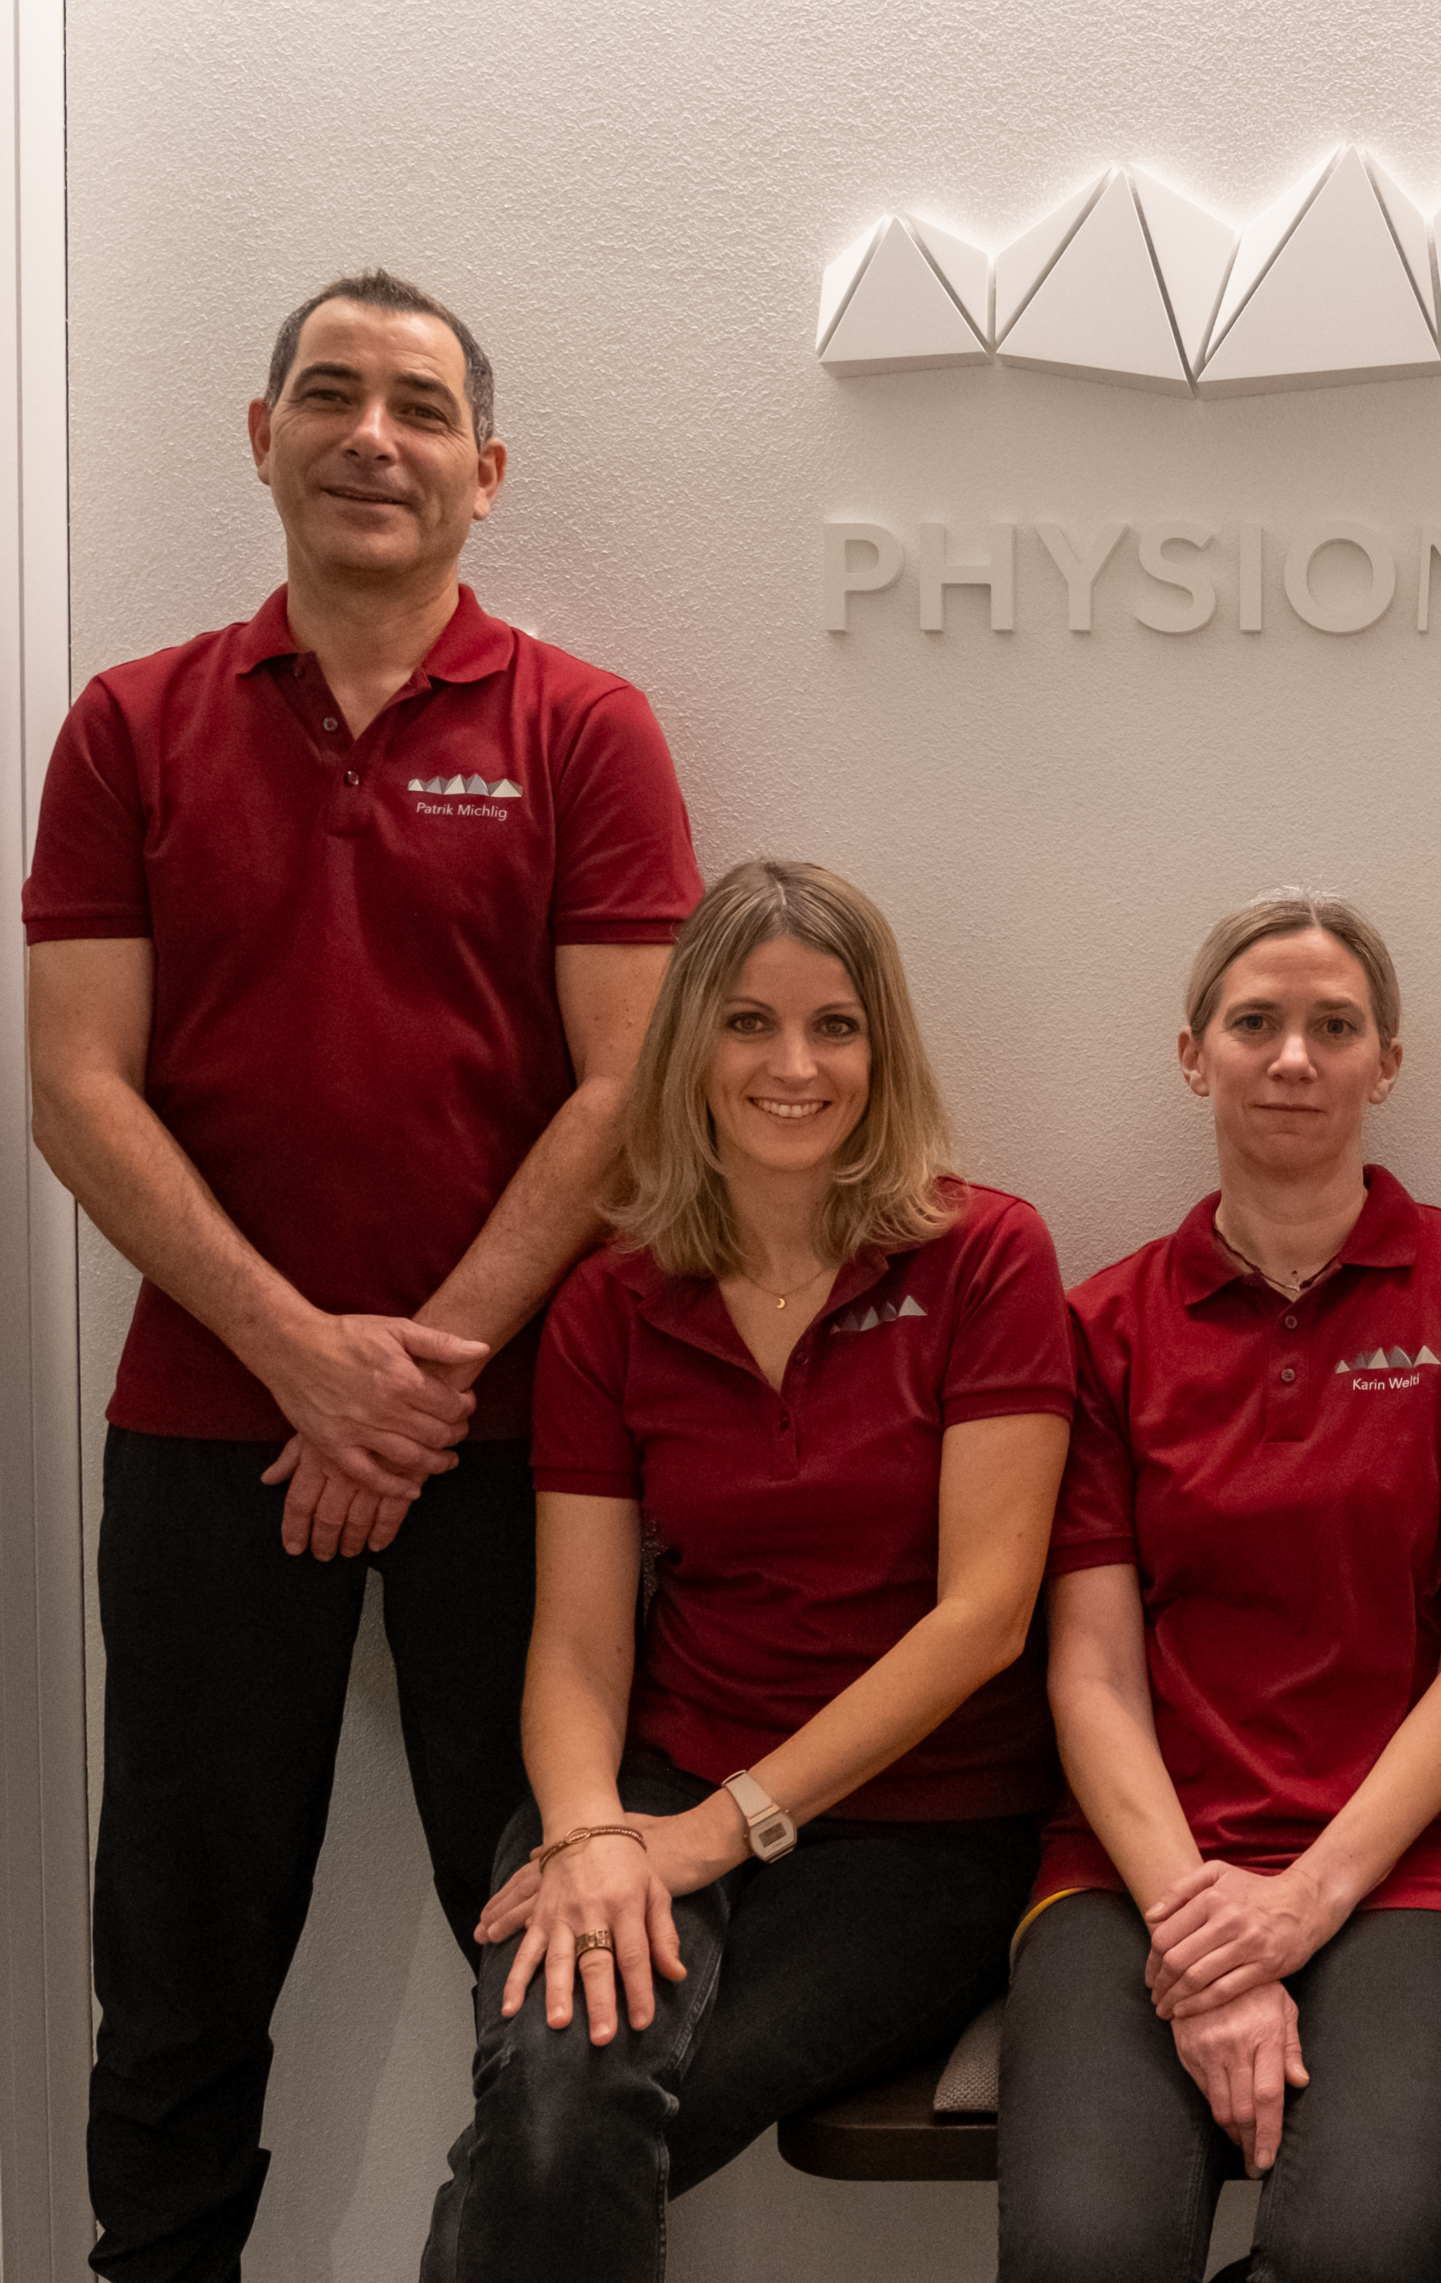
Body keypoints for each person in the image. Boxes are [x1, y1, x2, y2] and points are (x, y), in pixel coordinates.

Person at [19, 268, 699, 2282]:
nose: (369, 437)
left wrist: (409, 1379)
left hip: (521, 1443)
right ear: (263, 437)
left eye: (415, 408)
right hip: (206, 1428)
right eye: (329, 395)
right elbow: (73, 1084)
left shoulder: (585, 728)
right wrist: (301, 1358)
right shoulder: (129, 726)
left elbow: (626, 1089)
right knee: (178, 1953)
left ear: (486, 470)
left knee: (545, 1942)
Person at [419, 858, 1068, 2282]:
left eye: (836, 1026)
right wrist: (584, 1832)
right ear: (689, 1046)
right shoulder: (610, 1302)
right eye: (749, 1023)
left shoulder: (984, 1257)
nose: (794, 1066)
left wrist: (722, 1830)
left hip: (926, 1825)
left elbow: (984, 1617)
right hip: (656, 1781)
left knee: (568, 2133)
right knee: (557, 2101)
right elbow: (578, 1639)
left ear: (882, 1051)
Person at [1000, 890, 1441, 2283]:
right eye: (1255, 1022)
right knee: (1086, 2254)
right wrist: (1201, 1932)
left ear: (1386, 1063)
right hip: (1134, 1866)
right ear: (1191, 1054)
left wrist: (1303, 1902)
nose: (1292, 1057)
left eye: (1334, 1027)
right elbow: (1090, 1671)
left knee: (1362, 2256)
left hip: (1417, 1863)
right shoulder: (1102, 1325)